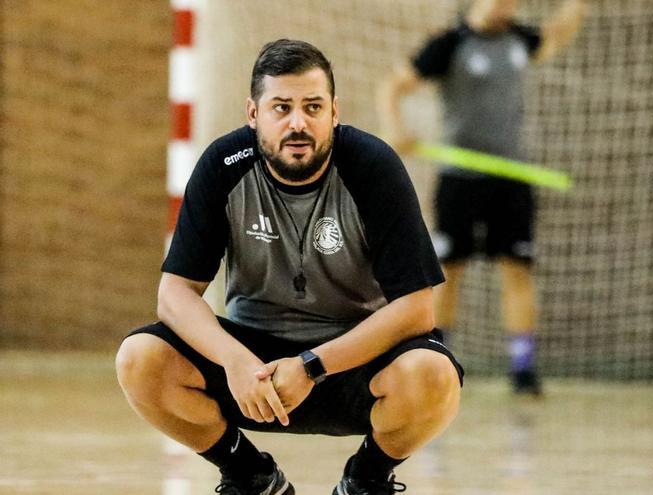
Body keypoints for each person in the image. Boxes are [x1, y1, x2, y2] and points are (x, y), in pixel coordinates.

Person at [115, 39, 463, 495]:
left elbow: (417, 310)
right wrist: (234, 360)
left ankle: (366, 480)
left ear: (334, 113)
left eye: (312, 107)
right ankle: (249, 476)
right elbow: (174, 294)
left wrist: (312, 366)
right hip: (253, 369)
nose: (298, 123)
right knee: (140, 360)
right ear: (253, 113)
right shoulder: (223, 166)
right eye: (281, 107)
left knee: (433, 377)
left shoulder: (373, 167)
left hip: (351, 361)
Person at [377, 0, 588, 396]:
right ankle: (436, 356)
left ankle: (523, 369)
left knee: (517, 268)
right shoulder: (449, 44)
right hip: (460, 179)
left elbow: (555, 36)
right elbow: (393, 84)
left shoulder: (519, 39)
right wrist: (396, 128)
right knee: (447, 271)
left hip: (512, 177)